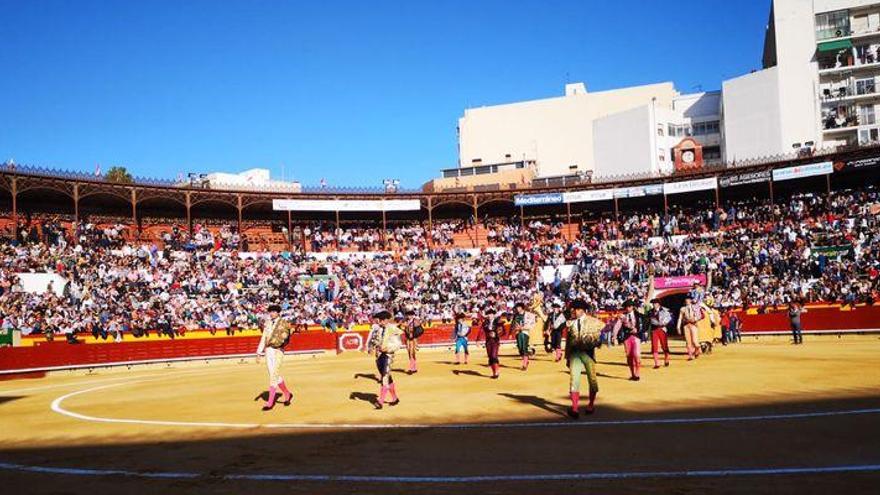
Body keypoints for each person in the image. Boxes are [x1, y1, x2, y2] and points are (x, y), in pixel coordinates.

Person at [565, 299, 603, 419]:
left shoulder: (594, 322)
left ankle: (591, 404)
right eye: (573, 309)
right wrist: (567, 357)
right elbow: (568, 342)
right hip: (575, 354)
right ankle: (575, 408)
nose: (574, 312)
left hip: (588, 354)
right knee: (574, 380)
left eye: (576, 309)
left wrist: (598, 341)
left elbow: (601, 336)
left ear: (582, 310)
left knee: (592, 379)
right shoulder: (570, 323)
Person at [256, 305, 293, 411]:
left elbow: (286, 338)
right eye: (270, 312)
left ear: (278, 313)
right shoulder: (267, 323)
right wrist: (259, 352)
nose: (272, 313)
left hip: (278, 351)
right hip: (268, 351)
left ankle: (270, 403)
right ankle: (287, 393)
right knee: (273, 373)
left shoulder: (283, 323)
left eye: (274, 312)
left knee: (274, 374)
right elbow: (264, 338)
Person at [366, 310, 404, 410]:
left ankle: (380, 401)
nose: (379, 322)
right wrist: (371, 347)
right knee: (386, 376)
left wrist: (388, 348)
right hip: (379, 356)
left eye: (381, 320)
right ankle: (395, 398)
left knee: (384, 377)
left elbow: (398, 344)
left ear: (386, 320)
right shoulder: (378, 329)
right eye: (378, 320)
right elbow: (374, 340)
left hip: (388, 355)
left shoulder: (393, 329)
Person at [619, 301, 641, 381]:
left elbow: (644, 323)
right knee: (629, 356)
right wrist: (614, 336)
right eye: (626, 307)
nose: (628, 308)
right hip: (627, 337)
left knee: (637, 355)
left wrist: (638, 330)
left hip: (636, 336)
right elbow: (618, 325)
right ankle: (632, 374)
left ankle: (637, 373)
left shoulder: (638, 315)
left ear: (632, 307)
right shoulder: (623, 316)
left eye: (629, 306)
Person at [678, 295, 705, 360]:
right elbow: (680, 318)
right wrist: (678, 327)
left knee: (695, 342)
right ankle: (690, 355)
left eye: (688, 299)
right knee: (688, 341)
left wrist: (695, 319)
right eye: (686, 300)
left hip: (693, 324)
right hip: (686, 325)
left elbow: (700, 316)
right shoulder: (682, 309)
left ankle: (697, 349)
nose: (687, 301)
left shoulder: (695, 307)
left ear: (691, 300)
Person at [647, 298, 672, 369]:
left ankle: (666, 357)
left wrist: (664, 323)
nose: (654, 305)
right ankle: (656, 363)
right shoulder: (650, 312)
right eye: (653, 304)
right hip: (654, 330)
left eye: (655, 304)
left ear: (658, 304)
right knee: (654, 346)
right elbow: (648, 321)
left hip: (662, 329)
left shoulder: (665, 311)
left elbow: (669, 319)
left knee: (664, 345)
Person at [485, 309, 503, 379]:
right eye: (488, 314)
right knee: (490, 357)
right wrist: (478, 340)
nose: (489, 316)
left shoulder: (498, 322)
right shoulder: (485, 322)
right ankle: (494, 372)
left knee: (493, 356)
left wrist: (496, 334)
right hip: (488, 341)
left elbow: (502, 331)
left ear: (493, 315)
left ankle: (496, 372)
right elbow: (481, 331)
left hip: (495, 341)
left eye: (491, 314)